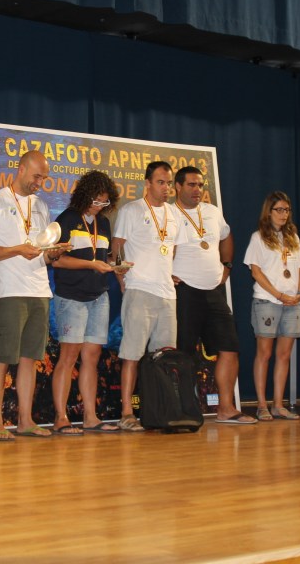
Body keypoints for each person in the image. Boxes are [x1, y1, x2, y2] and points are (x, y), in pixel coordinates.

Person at [0, 151, 69, 441]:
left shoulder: (41, 206)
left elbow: (40, 254)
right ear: (20, 170)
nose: (40, 182)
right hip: (9, 292)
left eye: (44, 177)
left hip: (40, 290)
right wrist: (17, 249)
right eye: (36, 176)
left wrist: (51, 254)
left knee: (30, 358)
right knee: (1, 358)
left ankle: (25, 420)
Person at [173, 166, 254, 424]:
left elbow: (226, 236)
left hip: (214, 292)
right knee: (184, 353)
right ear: (177, 186)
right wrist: (166, 274)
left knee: (230, 348)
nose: (197, 190)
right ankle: (184, 410)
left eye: (200, 185)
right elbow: (159, 247)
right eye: (191, 185)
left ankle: (227, 408)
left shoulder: (212, 211)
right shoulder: (168, 214)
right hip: (184, 291)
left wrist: (227, 266)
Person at [49, 171, 123, 435]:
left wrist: (116, 268)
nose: (99, 206)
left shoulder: (103, 224)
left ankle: (90, 417)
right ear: (84, 195)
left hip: (99, 297)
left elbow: (104, 259)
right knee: (68, 356)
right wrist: (91, 264)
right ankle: (61, 417)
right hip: (71, 297)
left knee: (91, 357)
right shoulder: (67, 219)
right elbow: (57, 260)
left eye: (104, 202)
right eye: (96, 200)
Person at [112, 161, 179, 432]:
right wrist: (122, 280)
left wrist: (168, 273)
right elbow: (117, 250)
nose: (166, 188)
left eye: (169, 183)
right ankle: (127, 413)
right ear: (148, 183)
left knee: (164, 357)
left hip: (167, 294)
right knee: (132, 354)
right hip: (139, 289)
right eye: (161, 182)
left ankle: (159, 411)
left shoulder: (173, 214)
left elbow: (170, 250)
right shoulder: (132, 210)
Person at [243, 191, 300, 422]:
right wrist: (278, 294)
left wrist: (299, 293)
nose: (283, 214)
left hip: (292, 303)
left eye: (287, 210)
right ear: (268, 212)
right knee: (265, 353)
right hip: (267, 301)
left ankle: (279, 404)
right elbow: (255, 271)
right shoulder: (258, 237)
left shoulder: (293, 238)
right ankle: (262, 404)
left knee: (284, 354)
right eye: (278, 210)